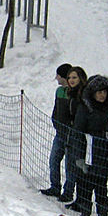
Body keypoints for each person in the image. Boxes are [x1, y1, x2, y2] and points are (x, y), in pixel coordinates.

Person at [71, 74, 108, 216]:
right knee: (85, 185)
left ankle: (102, 214)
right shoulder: (85, 108)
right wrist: (78, 156)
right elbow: (77, 132)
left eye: (105, 92)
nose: (102, 95)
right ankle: (85, 212)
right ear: (92, 93)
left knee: (101, 187)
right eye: (99, 92)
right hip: (88, 152)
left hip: (105, 154)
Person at [41, 63, 73, 198]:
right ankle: (55, 186)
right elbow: (56, 109)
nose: (56, 78)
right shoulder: (59, 92)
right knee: (54, 160)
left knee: (70, 165)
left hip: (71, 135)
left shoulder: (74, 93)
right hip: (60, 132)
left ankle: (68, 192)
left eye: (58, 76)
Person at [62, 66, 88, 205]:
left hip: (80, 135)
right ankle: (73, 195)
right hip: (72, 133)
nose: (71, 80)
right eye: (70, 78)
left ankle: (81, 200)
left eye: (75, 77)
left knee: (79, 166)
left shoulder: (83, 96)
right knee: (72, 165)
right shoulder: (72, 93)